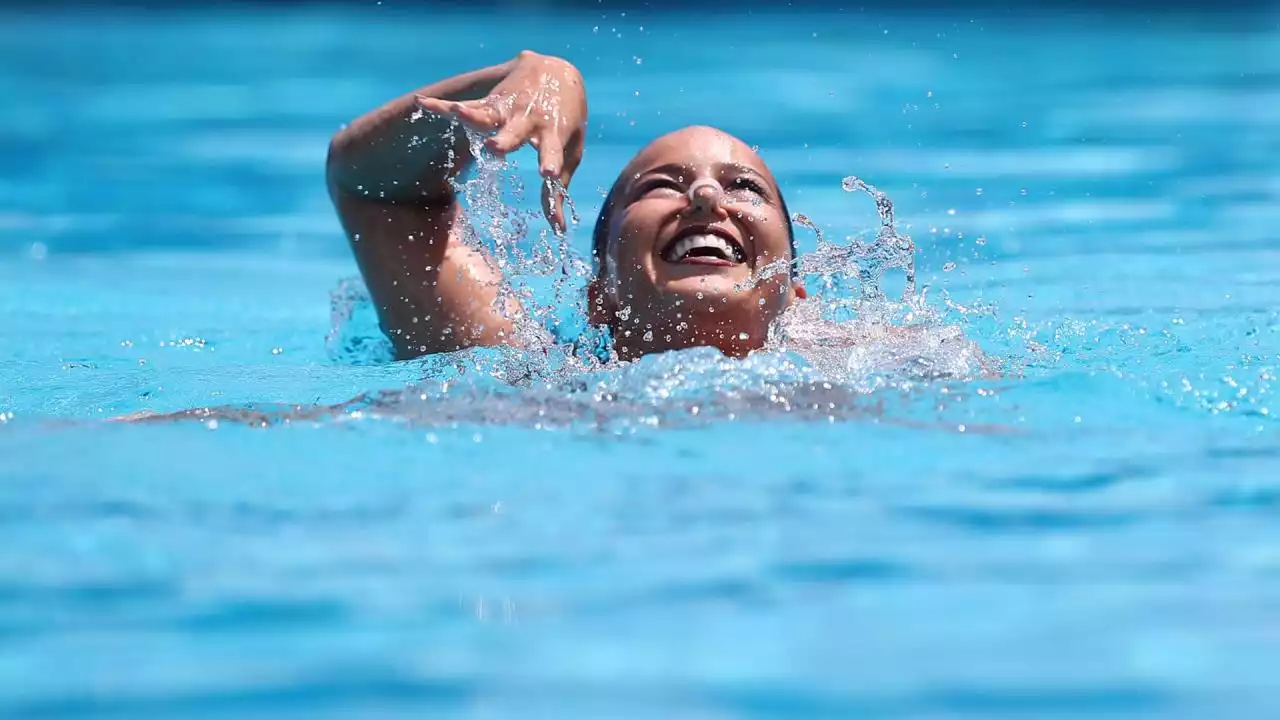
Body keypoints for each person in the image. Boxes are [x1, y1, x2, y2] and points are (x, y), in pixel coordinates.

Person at [326, 50, 806, 362]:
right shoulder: (525, 374)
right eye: (659, 186)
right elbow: (377, 189)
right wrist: (536, 76)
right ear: (600, 296)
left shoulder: (860, 369)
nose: (705, 196)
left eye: (745, 186)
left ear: (796, 301)